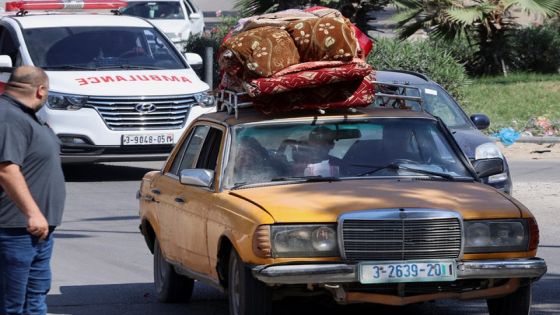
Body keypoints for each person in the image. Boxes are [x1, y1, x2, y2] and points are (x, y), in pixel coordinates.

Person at [0, 66, 66, 315]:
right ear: (40, 90)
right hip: (15, 230)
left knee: (34, 300)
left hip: (35, 231)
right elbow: (6, 169)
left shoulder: (23, 116)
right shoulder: (8, 118)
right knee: (12, 306)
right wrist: (32, 213)